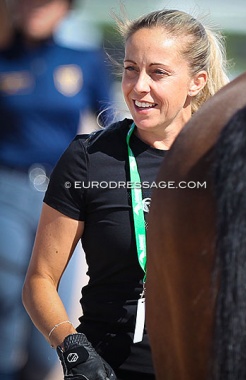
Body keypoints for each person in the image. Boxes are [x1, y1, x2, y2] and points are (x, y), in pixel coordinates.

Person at [22, 8, 229, 380]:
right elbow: (39, 281)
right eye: (131, 68)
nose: (139, 86)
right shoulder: (89, 158)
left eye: (158, 72)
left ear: (196, 82)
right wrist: (71, 350)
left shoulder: (228, 161)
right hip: (106, 368)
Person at [0, 0, 114, 379]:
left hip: (62, 193)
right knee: (5, 284)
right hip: (7, 187)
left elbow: (108, 124)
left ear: (65, 9)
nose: (34, 8)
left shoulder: (83, 60)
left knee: (51, 300)